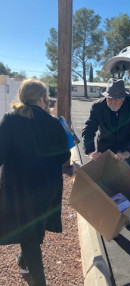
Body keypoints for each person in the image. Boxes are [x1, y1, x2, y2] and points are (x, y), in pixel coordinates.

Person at [0, 78, 71, 285]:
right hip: (46, 190)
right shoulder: (55, 123)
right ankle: (32, 270)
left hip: (18, 190)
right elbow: (64, 158)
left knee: (29, 235)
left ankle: (33, 273)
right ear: (42, 99)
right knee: (32, 235)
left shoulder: (9, 119)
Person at [82, 78, 130, 169]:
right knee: (104, 181)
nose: (113, 102)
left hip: (127, 153)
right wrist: (90, 151)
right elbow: (89, 129)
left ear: (123, 98)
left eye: (116, 99)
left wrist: (128, 152)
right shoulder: (97, 107)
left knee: (127, 182)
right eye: (110, 98)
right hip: (105, 153)